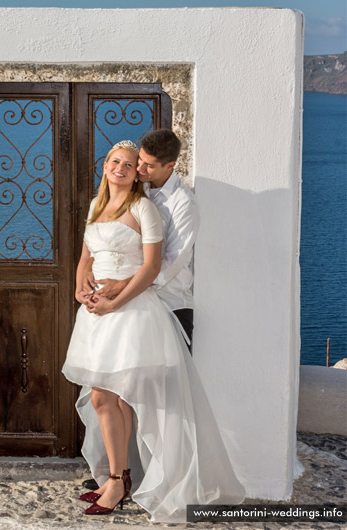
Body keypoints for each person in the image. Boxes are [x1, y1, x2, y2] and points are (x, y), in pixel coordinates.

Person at [62, 140, 244, 522]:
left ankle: (123, 479)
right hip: (97, 314)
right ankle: (122, 477)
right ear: (105, 166)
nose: (127, 168)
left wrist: (115, 298)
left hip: (133, 311)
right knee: (117, 398)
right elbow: (85, 257)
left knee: (108, 398)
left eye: (134, 164)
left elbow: (154, 267)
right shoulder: (97, 207)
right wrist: (81, 287)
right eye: (119, 162)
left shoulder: (147, 208)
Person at [80, 129, 199, 347]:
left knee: (165, 379)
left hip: (170, 302)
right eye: (140, 161)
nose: (140, 168)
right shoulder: (137, 187)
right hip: (128, 301)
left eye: (149, 165)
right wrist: (90, 264)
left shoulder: (183, 203)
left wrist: (123, 286)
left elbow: (172, 263)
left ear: (170, 166)